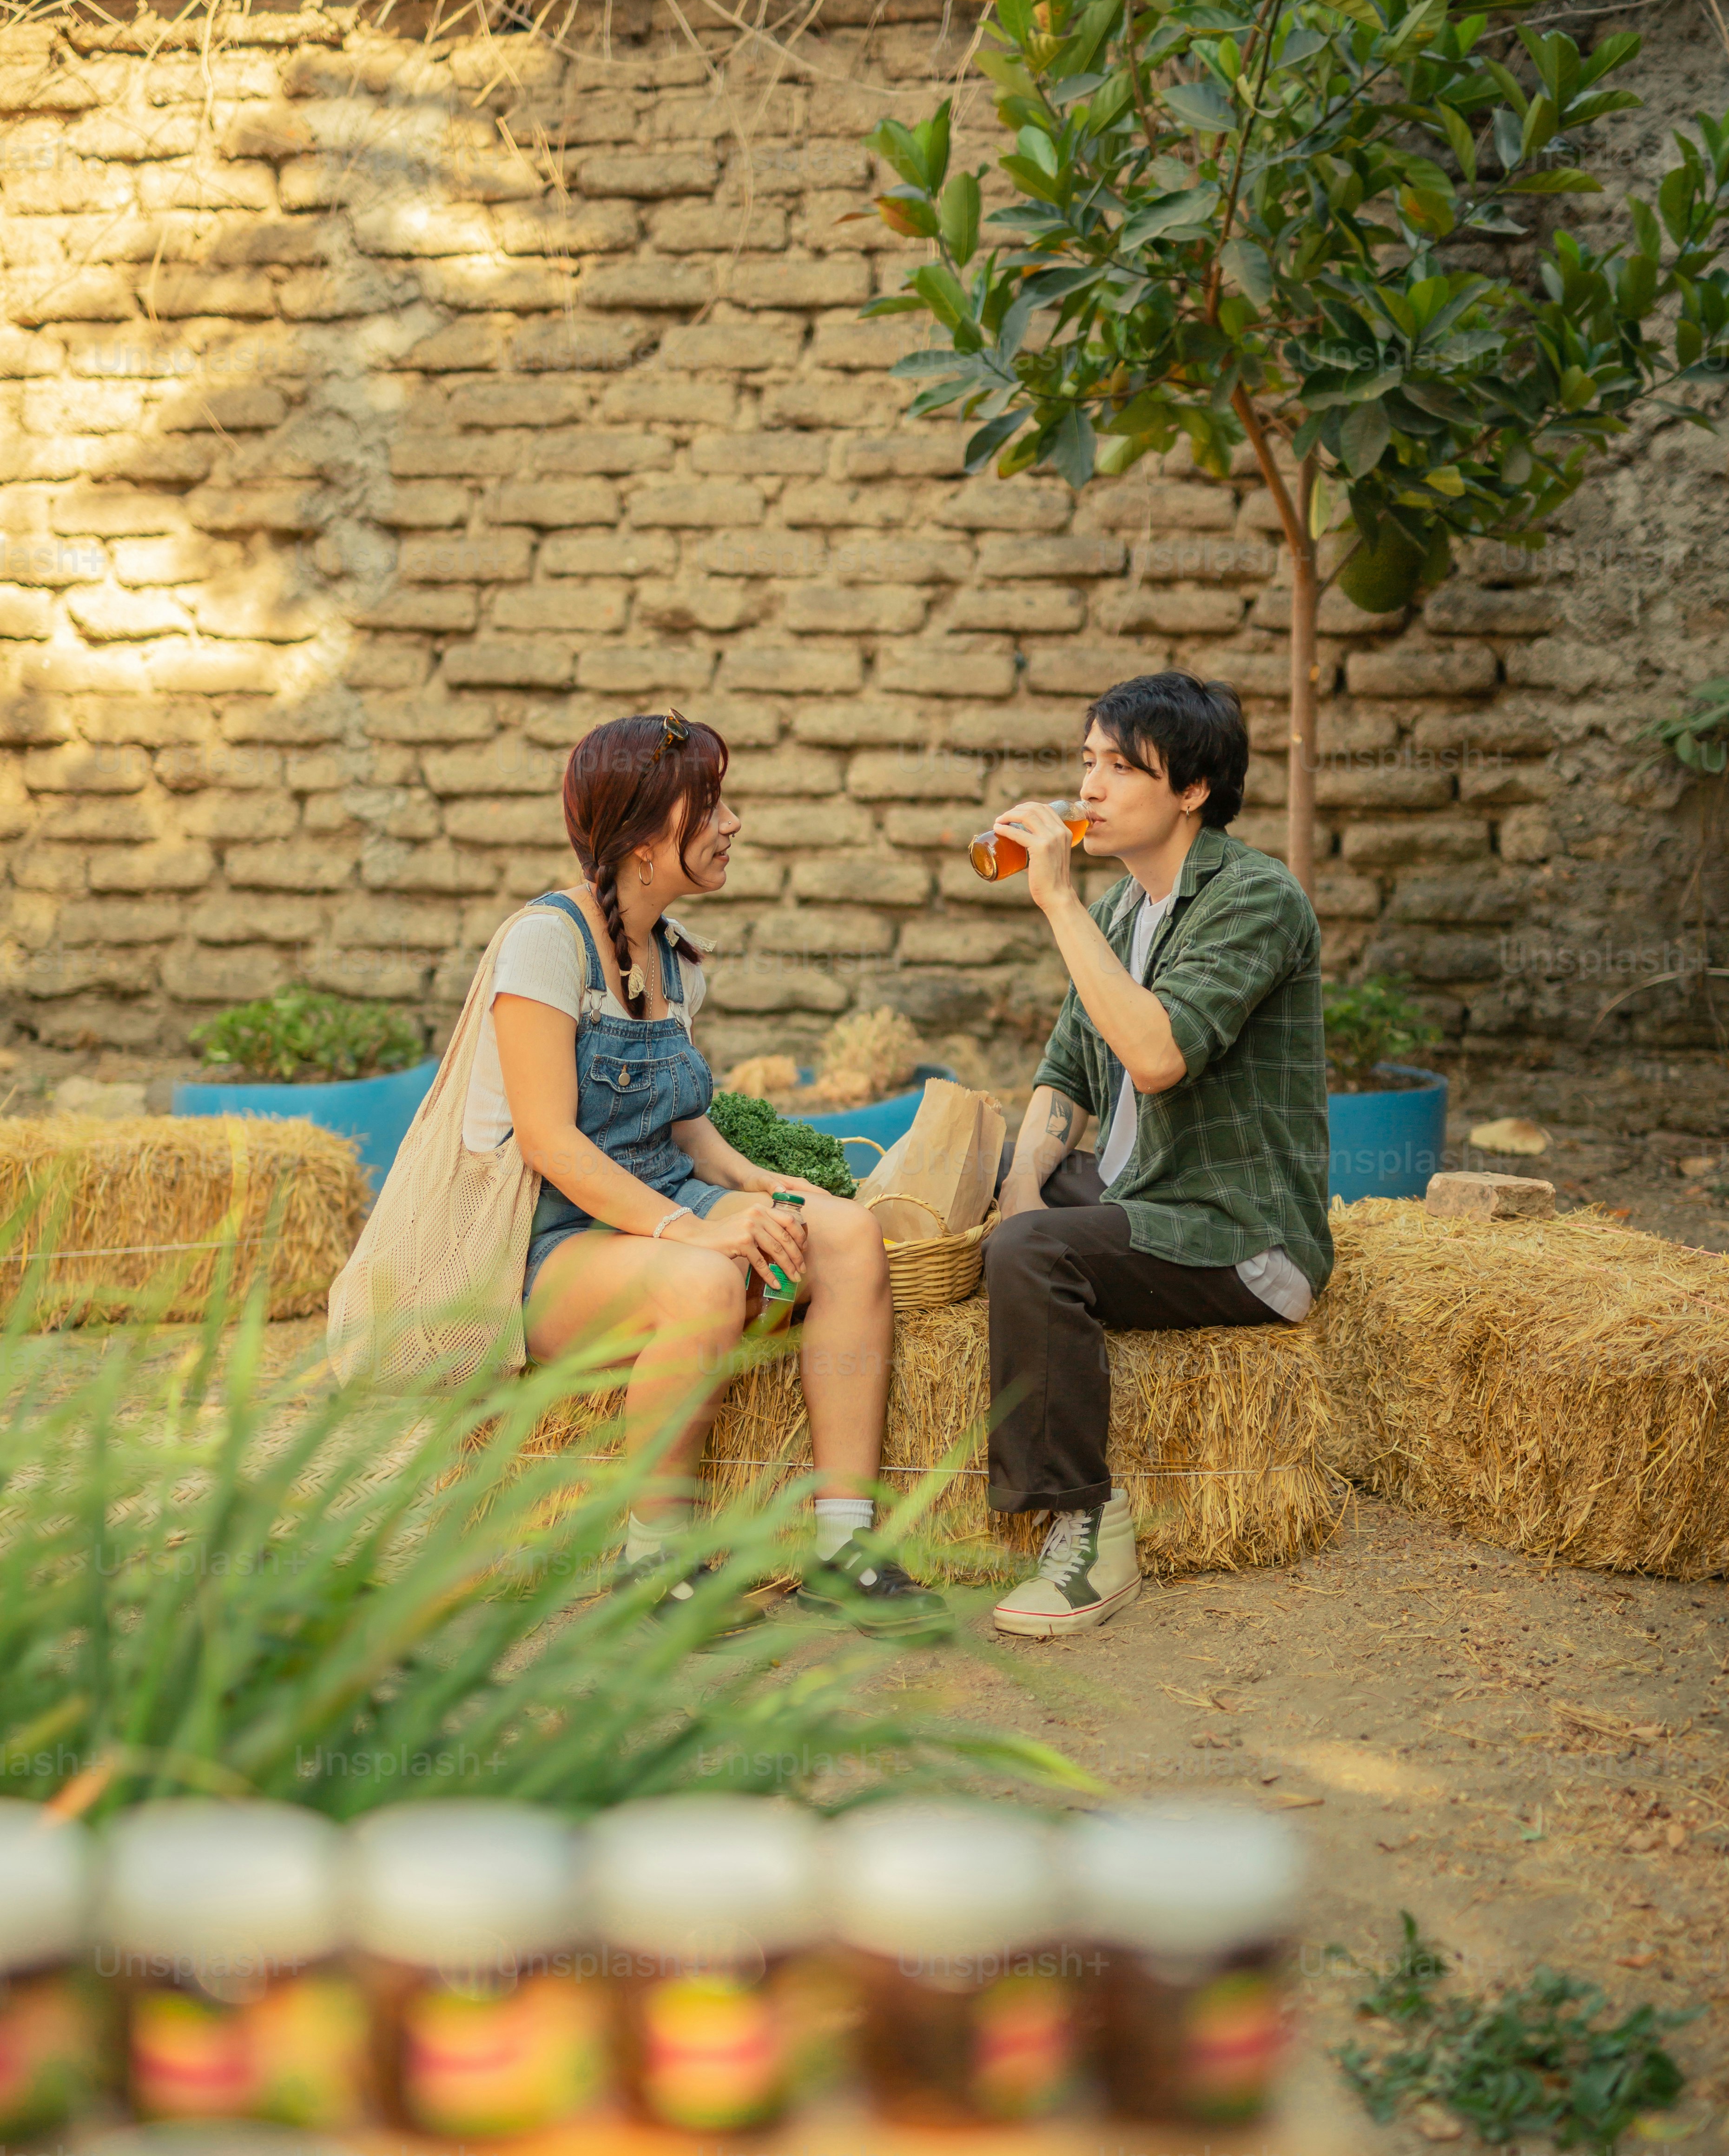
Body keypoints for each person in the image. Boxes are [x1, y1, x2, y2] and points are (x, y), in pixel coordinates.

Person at [464, 709, 938, 1623]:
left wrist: (761, 1185)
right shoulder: (546, 941)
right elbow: (548, 1141)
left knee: (843, 1234)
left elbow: (682, 1127)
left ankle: (845, 1548)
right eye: (710, 805)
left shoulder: (676, 960)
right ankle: (657, 1567)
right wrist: (698, 1232)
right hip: (552, 1239)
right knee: (704, 1283)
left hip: (657, 1205)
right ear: (646, 838)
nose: (733, 824)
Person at [982, 672, 1332, 1639]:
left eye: (1121, 769)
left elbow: (1157, 1057)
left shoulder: (1255, 898)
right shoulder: (1127, 912)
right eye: (1087, 762)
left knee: (1029, 1257)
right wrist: (1018, 1190)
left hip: (1235, 1230)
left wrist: (1056, 905)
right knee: (1000, 1200)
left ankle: (1087, 1524)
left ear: (1192, 791)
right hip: (1145, 1194)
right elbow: (1064, 1080)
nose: (1088, 790)